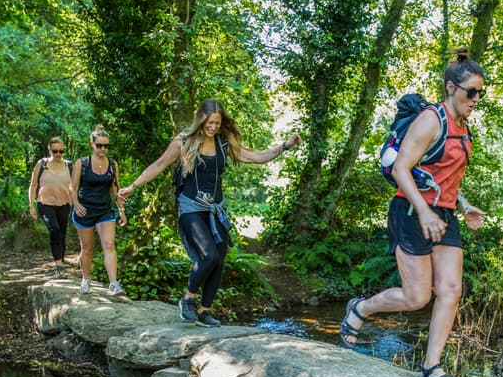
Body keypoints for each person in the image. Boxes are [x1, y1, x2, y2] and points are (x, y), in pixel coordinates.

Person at [339, 49, 487, 377]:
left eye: (480, 93)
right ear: (451, 88)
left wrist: (463, 205)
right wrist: (423, 210)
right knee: (417, 296)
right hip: (410, 213)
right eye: (471, 92)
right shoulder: (430, 120)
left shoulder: (463, 129)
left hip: (444, 216)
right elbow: (401, 168)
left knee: (451, 289)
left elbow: (443, 177)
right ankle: (360, 308)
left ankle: (432, 366)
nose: (476, 99)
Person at [118, 99, 300, 326]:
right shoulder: (184, 140)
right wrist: (133, 187)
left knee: (219, 259)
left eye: (217, 122)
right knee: (209, 255)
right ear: (200, 119)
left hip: (215, 209)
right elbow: (159, 164)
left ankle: (204, 311)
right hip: (191, 207)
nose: (213, 126)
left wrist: (284, 146)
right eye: (209, 122)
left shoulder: (224, 143)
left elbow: (255, 157)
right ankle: (188, 298)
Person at [70, 125, 127, 295]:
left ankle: (113, 284)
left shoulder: (112, 164)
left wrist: (122, 210)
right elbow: (72, 187)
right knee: (87, 248)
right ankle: (85, 279)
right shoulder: (82, 163)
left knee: (109, 245)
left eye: (106, 146)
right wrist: (76, 204)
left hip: (105, 211)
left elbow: (116, 189)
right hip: (84, 211)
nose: (103, 149)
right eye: (99, 145)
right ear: (92, 144)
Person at [28, 136, 73, 277]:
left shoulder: (69, 166)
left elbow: (75, 187)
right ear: (49, 149)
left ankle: (60, 259)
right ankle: (58, 266)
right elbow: (33, 185)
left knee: (62, 234)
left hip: (64, 204)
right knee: (54, 230)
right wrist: (31, 206)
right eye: (55, 151)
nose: (58, 154)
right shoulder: (41, 164)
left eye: (61, 151)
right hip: (45, 203)